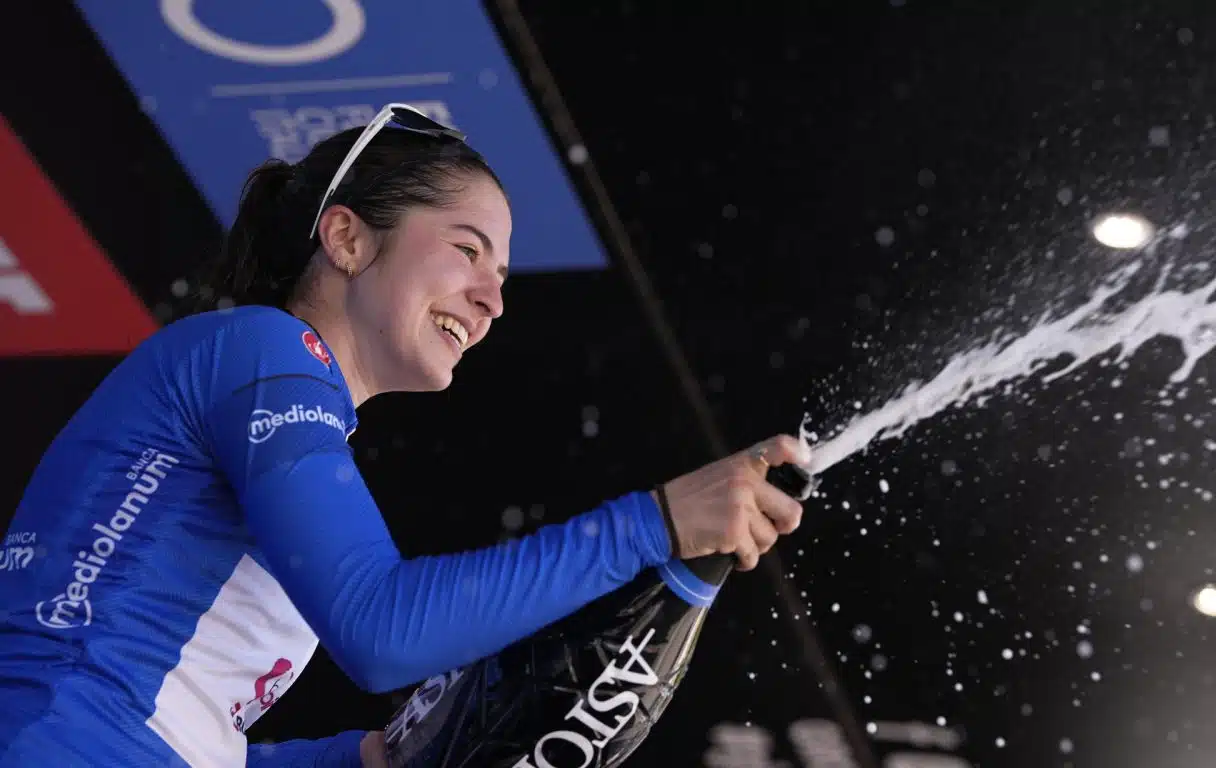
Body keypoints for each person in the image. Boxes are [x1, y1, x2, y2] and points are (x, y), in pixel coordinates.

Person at [0, 103, 808, 767]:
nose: (492, 299)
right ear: (347, 238)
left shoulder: (274, 389)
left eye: (501, 276)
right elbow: (380, 630)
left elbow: (194, 738)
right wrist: (655, 522)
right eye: (467, 250)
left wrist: (370, 758)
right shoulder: (261, 350)